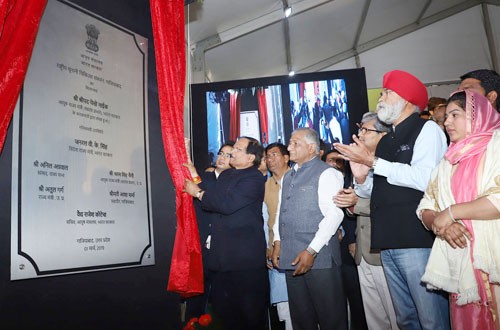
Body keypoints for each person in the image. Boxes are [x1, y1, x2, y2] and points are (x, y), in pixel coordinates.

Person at [334, 70, 449, 329]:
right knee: (405, 319)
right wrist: (362, 178)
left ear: (407, 99)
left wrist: (372, 162)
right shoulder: (387, 142)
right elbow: (377, 192)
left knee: (431, 319)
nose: (381, 98)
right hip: (387, 241)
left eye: (387, 93)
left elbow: (425, 179)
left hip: (418, 239)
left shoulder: (426, 129)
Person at [417, 90, 500, 329]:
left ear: (478, 116)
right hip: (461, 259)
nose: (447, 122)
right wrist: (441, 225)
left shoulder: (495, 146)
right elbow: (425, 206)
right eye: (446, 117)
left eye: (455, 114)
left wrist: (452, 212)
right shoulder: (448, 160)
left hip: (492, 259)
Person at [183, 137, 268, 330]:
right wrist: (194, 172)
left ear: (250, 158)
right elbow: (211, 195)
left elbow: (226, 204)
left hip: (244, 263)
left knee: (250, 316)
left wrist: (197, 193)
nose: (231, 153)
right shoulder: (228, 176)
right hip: (221, 261)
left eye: (237, 150)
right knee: (225, 313)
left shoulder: (253, 178)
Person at [272, 128, 347, 330]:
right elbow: (281, 211)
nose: (289, 148)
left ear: (312, 148)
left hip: (320, 259)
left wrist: (311, 250)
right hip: (291, 257)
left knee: (331, 319)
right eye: (290, 143)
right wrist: (277, 242)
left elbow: (334, 215)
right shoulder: (288, 176)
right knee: (302, 321)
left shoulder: (328, 172)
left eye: (295, 143)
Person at [347, 112, 398, 330]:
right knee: (375, 318)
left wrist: (355, 203)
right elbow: (356, 203)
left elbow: (389, 204)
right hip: (364, 249)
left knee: (395, 314)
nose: (361, 134)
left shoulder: (392, 163)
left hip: (385, 249)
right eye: (360, 129)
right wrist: (349, 203)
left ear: (383, 134)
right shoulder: (358, 162)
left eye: (366, 130)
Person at [183, 142, 234, 321]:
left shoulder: (235, 181)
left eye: (228, 155)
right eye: (221, 153)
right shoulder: (206, 177)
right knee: (198, 291)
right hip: (202, 244)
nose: (222, 157)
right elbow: (199, 189)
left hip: (225, 249)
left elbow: (210, 197)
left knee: (222, 296)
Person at [327, 149, 368, 330]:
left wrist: (352, 238)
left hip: (351, 244)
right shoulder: (321, 183)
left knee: (357, 295)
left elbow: (352, 215)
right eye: (328, 160)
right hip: (331, 248)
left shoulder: (349, 183)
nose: (333, 163)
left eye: (337, 160)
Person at [263, 142, 293, 330]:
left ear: (286, 157)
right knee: (286, 311)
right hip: (276, 254)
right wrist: (268, 248)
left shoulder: (300, 179)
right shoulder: (265, 186)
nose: (270, 159)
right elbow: (265, 219)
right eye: (267, 156)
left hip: (303, 250)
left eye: (274, 154)